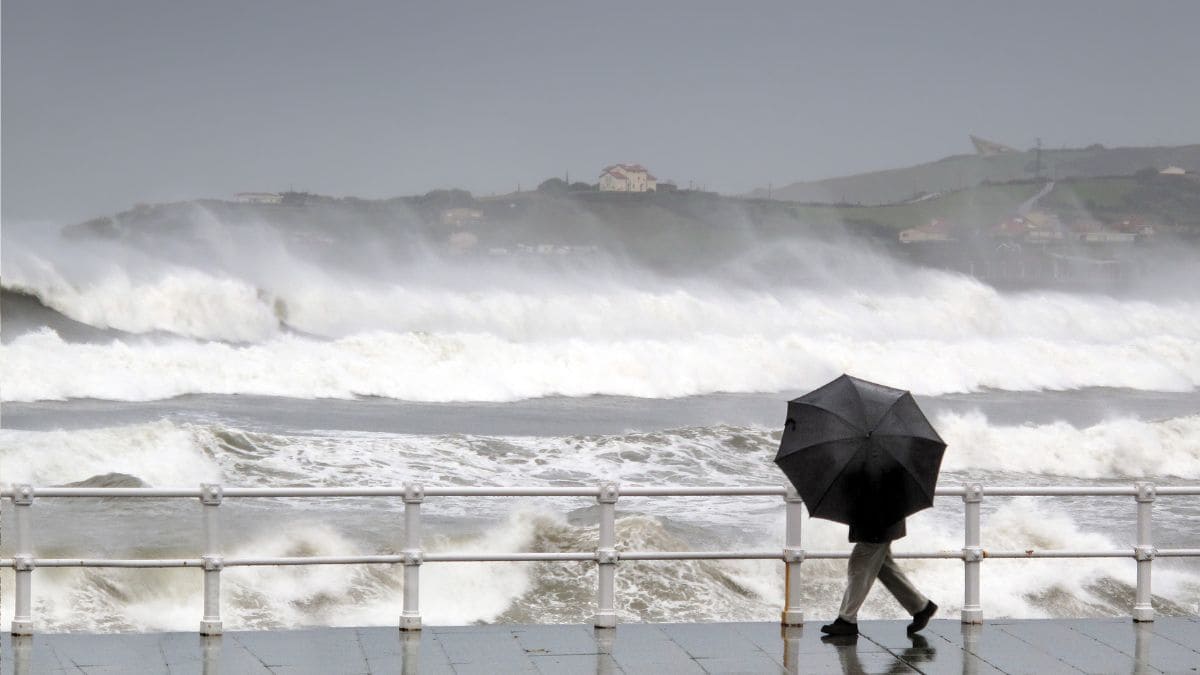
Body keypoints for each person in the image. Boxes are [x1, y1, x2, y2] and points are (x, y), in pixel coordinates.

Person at [820, 516, 937, 637]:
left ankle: (847, 620)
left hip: (879, 520)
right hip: (882, 519)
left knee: (860, 562)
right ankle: (921, 607)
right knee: (883, 566)